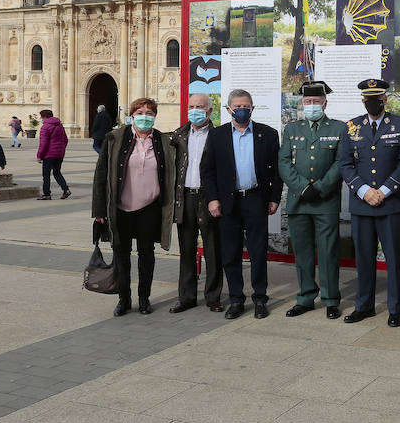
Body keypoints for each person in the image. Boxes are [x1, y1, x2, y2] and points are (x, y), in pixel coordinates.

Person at [201, 89, 282, 320]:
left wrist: (274, 198)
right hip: (228, 202)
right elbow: (207, 171)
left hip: (256, 199)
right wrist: (213, 199)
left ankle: (259, 299)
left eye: (246, 106)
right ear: (228, 110)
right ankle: (236, 299)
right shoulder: (217, 135)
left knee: (258, 252)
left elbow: (277, 171)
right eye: (237, 106)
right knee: (230, 253)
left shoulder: (268, 134)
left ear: (252, 108)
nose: (242, 110)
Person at [92, 98, 175, 317]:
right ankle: (124, 298)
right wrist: (99, 210)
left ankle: (144, 298)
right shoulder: (115, 138)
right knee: (121, 255)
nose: (145, 116)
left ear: (155, 116)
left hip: (149, 207)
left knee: (146, 254)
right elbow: (101, 175)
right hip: (120, 208)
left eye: (149, 112)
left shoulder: (163, 141)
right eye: (140, 111)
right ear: (131, 115)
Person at [339, 79, 400, 326]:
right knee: (364, 259)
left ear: (385, 100)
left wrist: (382, 190)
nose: (373, 102)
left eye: (377, 98)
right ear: (363, 101)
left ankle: (394, 309)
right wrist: (362, 191)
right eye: (368, 99)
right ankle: (364, 306)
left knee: (393, 260)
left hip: (391, 204)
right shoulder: (351, 127)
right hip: (362, 205)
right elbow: (346, 165)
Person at [279, 81, 346, 320]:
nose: (312, 106)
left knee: (328, 252)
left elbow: (341, 163)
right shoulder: (292, 129)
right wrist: (301, 188)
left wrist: (319, 188)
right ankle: (306, 297)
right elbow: (284, 163)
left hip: (325, 201)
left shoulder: (339, 128)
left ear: (325, 103)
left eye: (316, 102)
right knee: (303, 253)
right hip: (299, 201)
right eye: (307, 102)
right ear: (302, 104)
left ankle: (330, 299)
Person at [168, 93, 223, 313]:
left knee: (213, 250)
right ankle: (187, 297)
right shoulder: (179, 135)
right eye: (191, 106)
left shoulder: (219, 136)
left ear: (209, 111)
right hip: (185, 197)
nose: (195, 110)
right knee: (186, 249)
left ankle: (213, 296)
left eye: (199, 106)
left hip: (209, 198)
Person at [35, 109, 71, 200]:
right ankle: (66, 190)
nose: (41, 119)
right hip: (59, 154)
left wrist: (39, 155)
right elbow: (65, 140)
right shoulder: (60, 125)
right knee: (57, 172)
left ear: (44, 117)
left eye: (41, 117)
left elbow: (43, 143)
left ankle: (47, 194)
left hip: (48, 155)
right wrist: (61, 149)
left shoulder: (45, 127)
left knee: (46, 175)